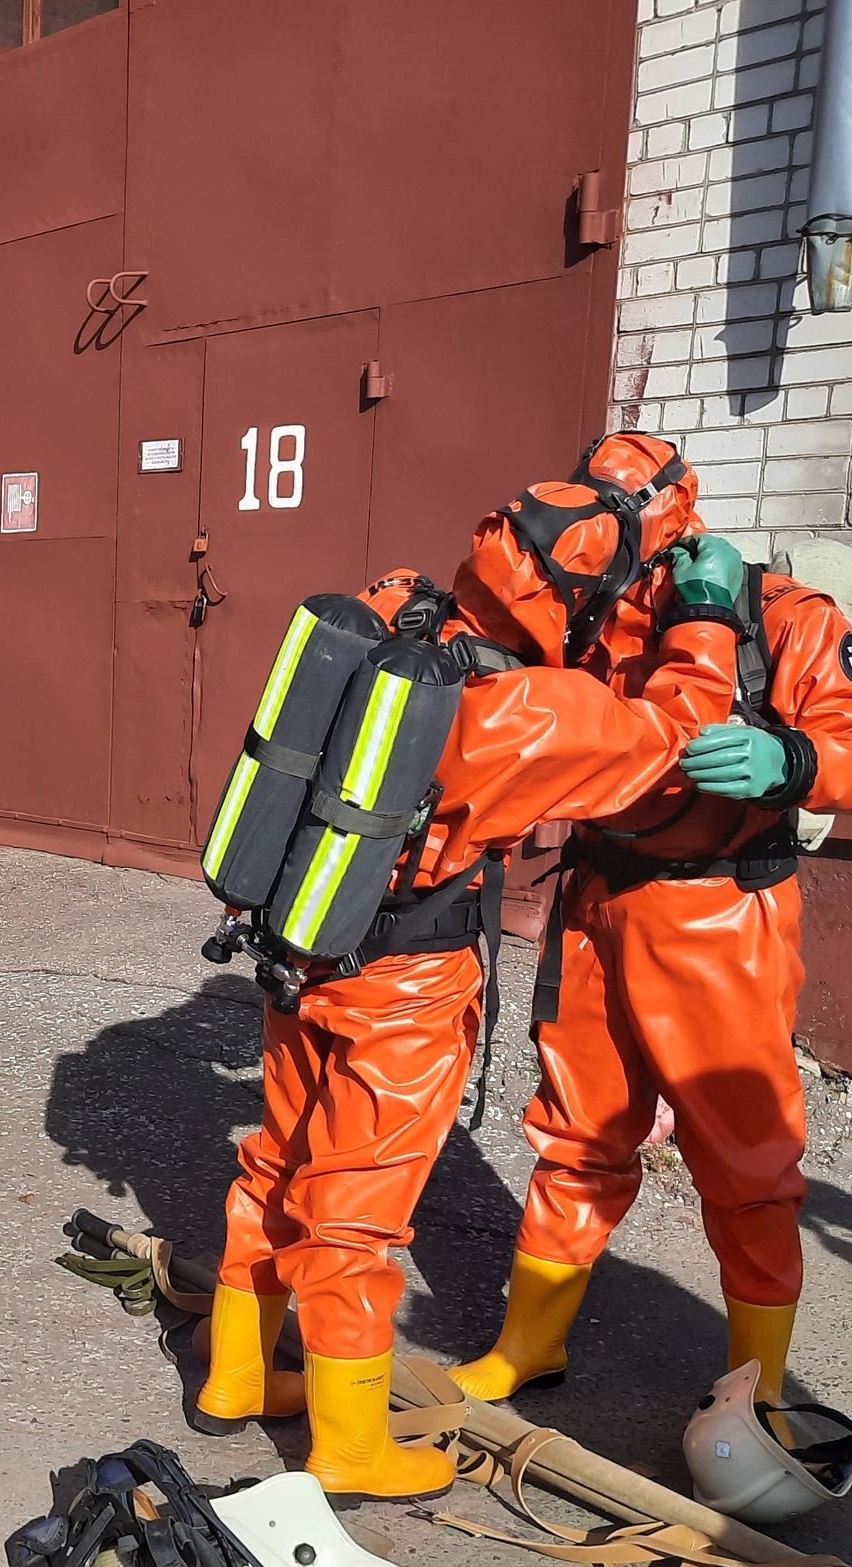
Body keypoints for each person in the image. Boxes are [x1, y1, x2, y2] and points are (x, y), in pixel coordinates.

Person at [201, 444, 742, 1495]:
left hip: (301, 942)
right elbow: (683, 733)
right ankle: (352, 1448)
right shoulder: (541, 711)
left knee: (275, 1157)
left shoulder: (392, 605)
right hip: (404, 984)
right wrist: (704, 620)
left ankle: (235, 1374)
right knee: (358, 1210)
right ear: (584, 603)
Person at [450, 450, 852, 1408]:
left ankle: (762, 1388)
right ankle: (527, 1346)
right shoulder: (589, 610)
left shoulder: (782, 615)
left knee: (747, 1160)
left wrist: (792, 757)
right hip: (598, 902)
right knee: (576, 1134)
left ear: (670, 512)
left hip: (720, 912)